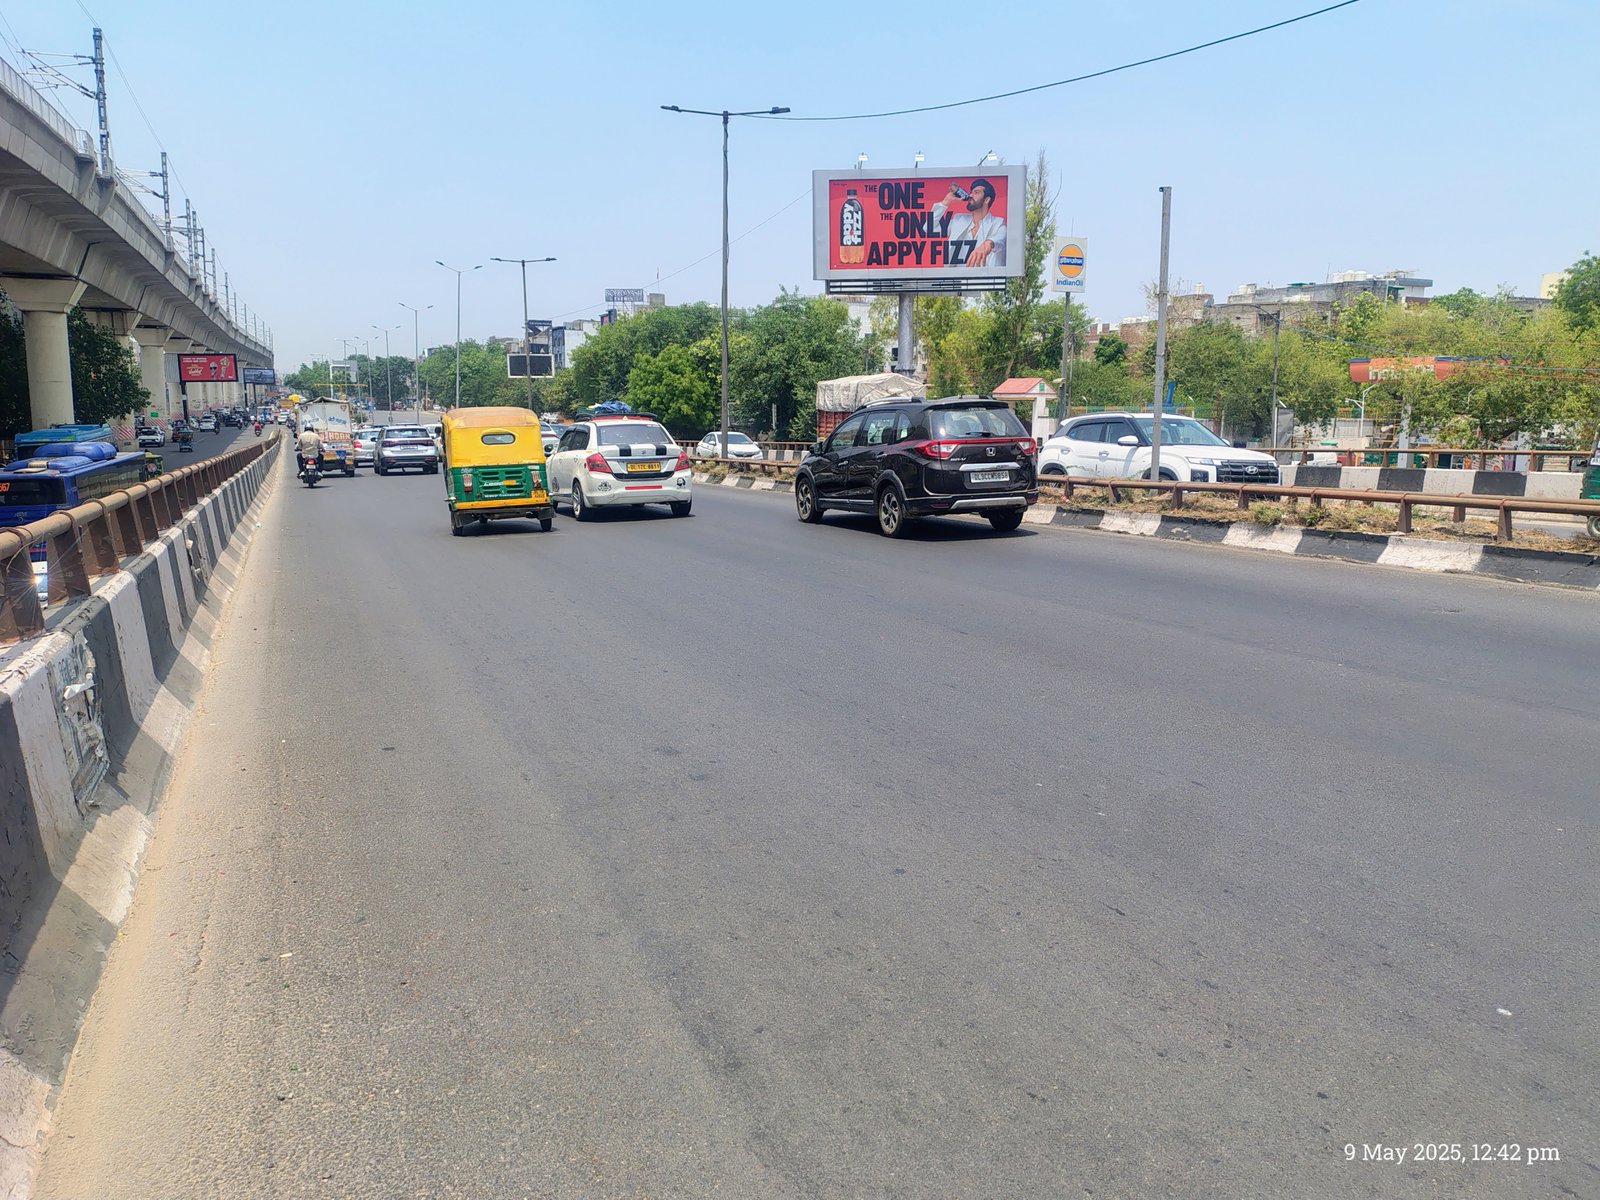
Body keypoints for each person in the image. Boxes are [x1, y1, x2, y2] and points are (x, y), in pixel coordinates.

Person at [932, 177, 1006, 268]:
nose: (970, 195)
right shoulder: (959, 220)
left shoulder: (998, 223)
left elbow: (1000, 240)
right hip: (956, 276)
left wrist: (989, 243)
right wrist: (945, 202)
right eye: (971, 192)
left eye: (976, 192)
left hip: (985, 276)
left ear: (987, 200)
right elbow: (929, 228)